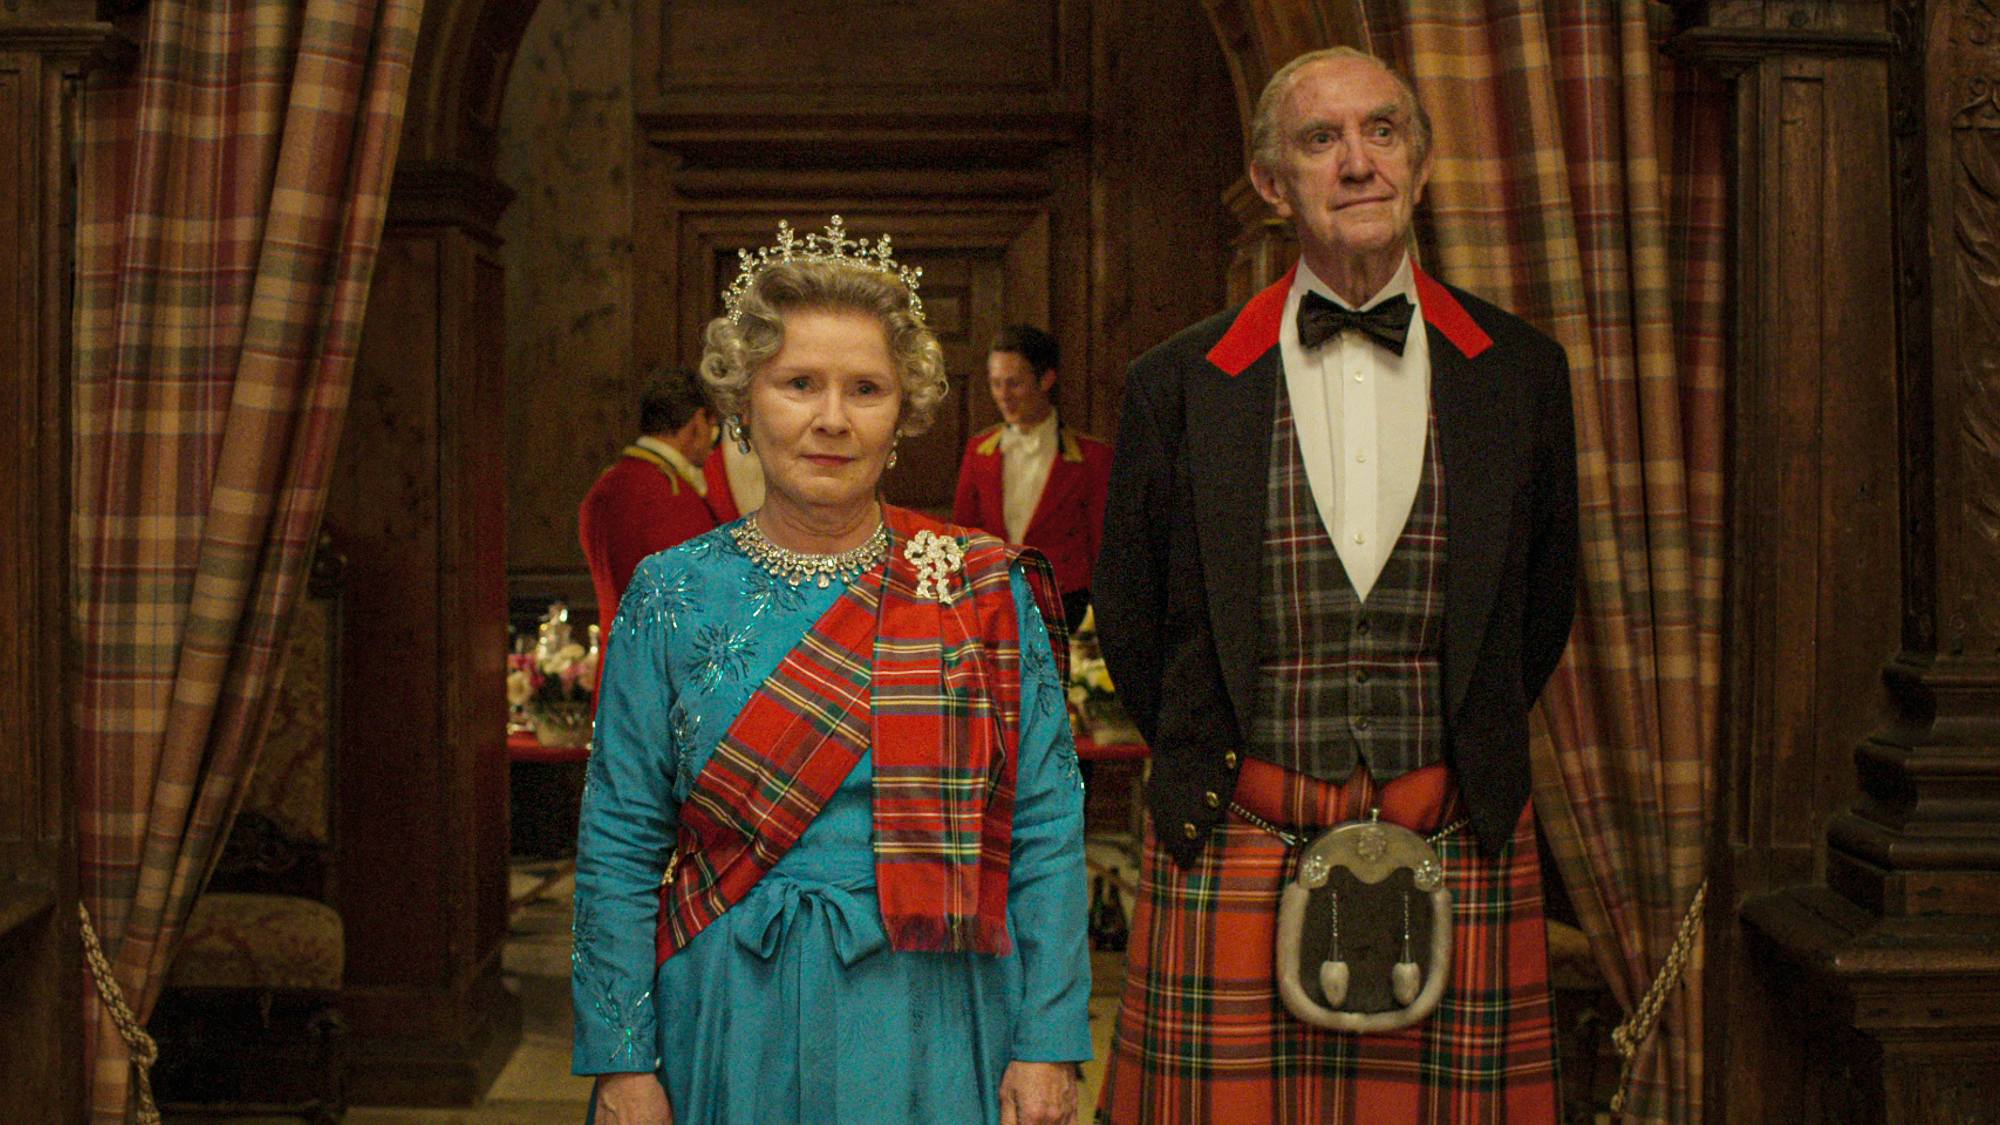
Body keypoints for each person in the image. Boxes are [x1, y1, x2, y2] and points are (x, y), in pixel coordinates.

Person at [1093, 48, 1578, 1122]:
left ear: (1421, 162)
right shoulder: (1176, 382)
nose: (1356, 163)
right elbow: (1129, 615)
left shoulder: (1517, 372)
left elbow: (1538, 608)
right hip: (1237, 837)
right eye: (1320, 141)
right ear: (1272, 183)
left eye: (1381, 133)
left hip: (1452, 838)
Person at [570, 217, 1092, 1125]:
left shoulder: (980, 587)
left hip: (935, 1005)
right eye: (799, 384)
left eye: (866, 389)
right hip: (728, 1003)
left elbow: (1047, 823)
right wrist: (621, 1059)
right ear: (743, 400)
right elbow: (617, 838)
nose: (832, 419)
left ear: (904, 413)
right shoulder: (669, 592)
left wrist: (1048, 1037)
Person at [952, 326, 1113, 632]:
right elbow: (963, 538)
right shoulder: (978, 452)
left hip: (1067, 608)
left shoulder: (1093, 458)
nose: (1003, 396)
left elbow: (1102, 549)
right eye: (996, 383)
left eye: (1014, 383)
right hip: (993, 604)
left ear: (1046, 379)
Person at [578, 368, 729, 636]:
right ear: (696, 423)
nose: (711, 442)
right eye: (712, 427)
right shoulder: (669, 496)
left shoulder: (609, 483)